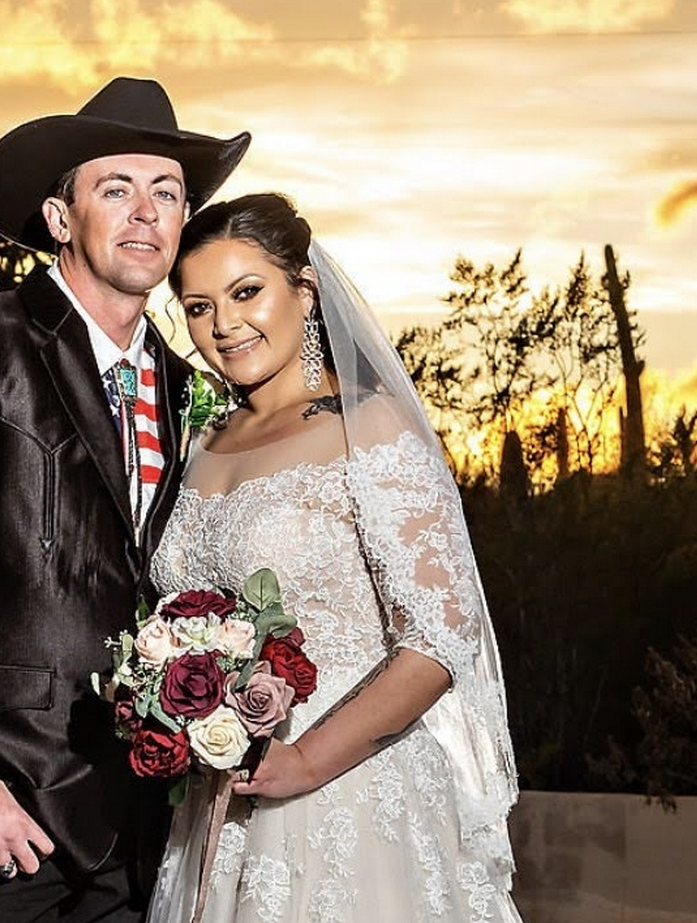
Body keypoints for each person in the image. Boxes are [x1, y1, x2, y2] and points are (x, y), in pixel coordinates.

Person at [0, 77, 250, 923]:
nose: (145, 213)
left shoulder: (192, 392)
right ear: (61, 218)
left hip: (150, 821)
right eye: (116, 189)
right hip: (6, 809)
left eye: (166, 193)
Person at [147, 193, 524, 922]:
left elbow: (439, 640)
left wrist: (307, 761)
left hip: (346, 790)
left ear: (304, 289)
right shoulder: (202, 444)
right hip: (217, 807)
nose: (223, 325)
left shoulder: (368, 426)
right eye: (197, 307)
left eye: (246, 292)